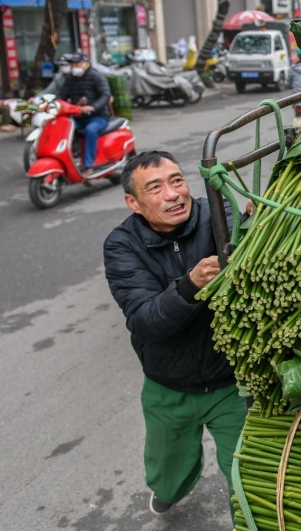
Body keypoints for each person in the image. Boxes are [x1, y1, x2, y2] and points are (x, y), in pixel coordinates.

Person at [103, 151, 248, 521]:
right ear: (133, 203)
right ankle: (170, 489)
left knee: (248, 482)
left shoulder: (217, 214)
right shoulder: (121, 246)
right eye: (156, 188)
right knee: (167, 472)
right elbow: (146, 321)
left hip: (231, 382)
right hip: (168, 386)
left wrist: (252, 224)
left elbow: (248, 245)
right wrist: (190, 285)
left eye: (177, 180)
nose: (173, 194)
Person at [56, 53, 111, 174]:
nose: (74, 67)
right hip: (77, 115)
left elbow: (105, 95)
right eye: (73, 64)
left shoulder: (97, 77)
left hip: (98, 116)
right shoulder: (70, 79)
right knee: (62, 128)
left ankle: (89, 164)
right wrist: (53, 104)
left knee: (90, 130)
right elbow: (61, 95)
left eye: (77, 64)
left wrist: (93, 107)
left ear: (86, 64)